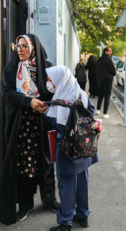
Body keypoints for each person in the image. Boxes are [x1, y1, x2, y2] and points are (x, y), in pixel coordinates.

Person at [0, 34, 60, 225]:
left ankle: (49, 199)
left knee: (46, 161)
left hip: (42, 124)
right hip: (21, 125)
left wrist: (47, 103)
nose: (20, 49)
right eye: (18, 46)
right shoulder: (12, 68)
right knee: (25, 164)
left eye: (24, 46)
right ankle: (26, 204)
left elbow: (53, 90)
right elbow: (7, 93)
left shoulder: (46, 66)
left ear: (33, 47)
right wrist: (29, 101)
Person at [45, 65, 98, 231]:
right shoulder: (80, 92)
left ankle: (65, 223)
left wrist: (45, 112)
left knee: (66, 185)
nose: (49, 83)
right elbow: (91, 111)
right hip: (84, 147)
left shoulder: (61, 100)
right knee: (82, 182)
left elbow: (57, 125)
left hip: (68, 150)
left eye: (51, 80)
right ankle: (83, 216)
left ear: (61, 80)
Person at [95, 47, 116, 119]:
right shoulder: (108, 60)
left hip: (100, 80)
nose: (111, 53)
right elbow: (113, 70)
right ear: (106, 52)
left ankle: (98, 110)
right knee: (107, 96)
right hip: (108, 80)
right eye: (110, 51)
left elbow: (96, 69)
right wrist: (114, 73)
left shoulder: (99, 60)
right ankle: (105, 113)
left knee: (100, 95)